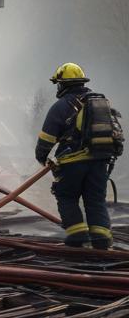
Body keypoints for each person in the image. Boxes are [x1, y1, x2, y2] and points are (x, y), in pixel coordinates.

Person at [36, 63, 123, 249]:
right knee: (95, 200)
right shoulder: (100, 103)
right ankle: (101, 240)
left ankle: (77, 236)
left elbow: (46, 139)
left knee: (66, 196)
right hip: (100, 161)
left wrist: (42, 157)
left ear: (62, 85)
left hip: (72, 162)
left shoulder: (61, 106)